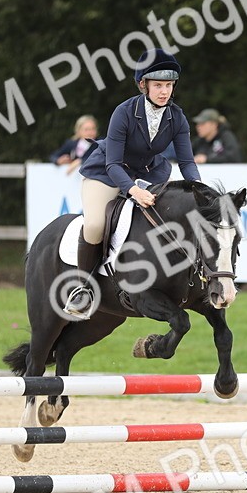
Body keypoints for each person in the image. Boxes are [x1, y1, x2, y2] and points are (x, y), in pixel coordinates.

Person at [64, 49, 202, 319]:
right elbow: (113, 164)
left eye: (169, 85)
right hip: (107, 173)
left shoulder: (177, 117)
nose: (165, 91)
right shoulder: (124, 112)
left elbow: (186, 161)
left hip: (151, 174)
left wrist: (198, 188)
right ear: (144, 85)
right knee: (94, 224)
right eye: (159, 85)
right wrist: (133, 191)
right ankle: (84, 288)